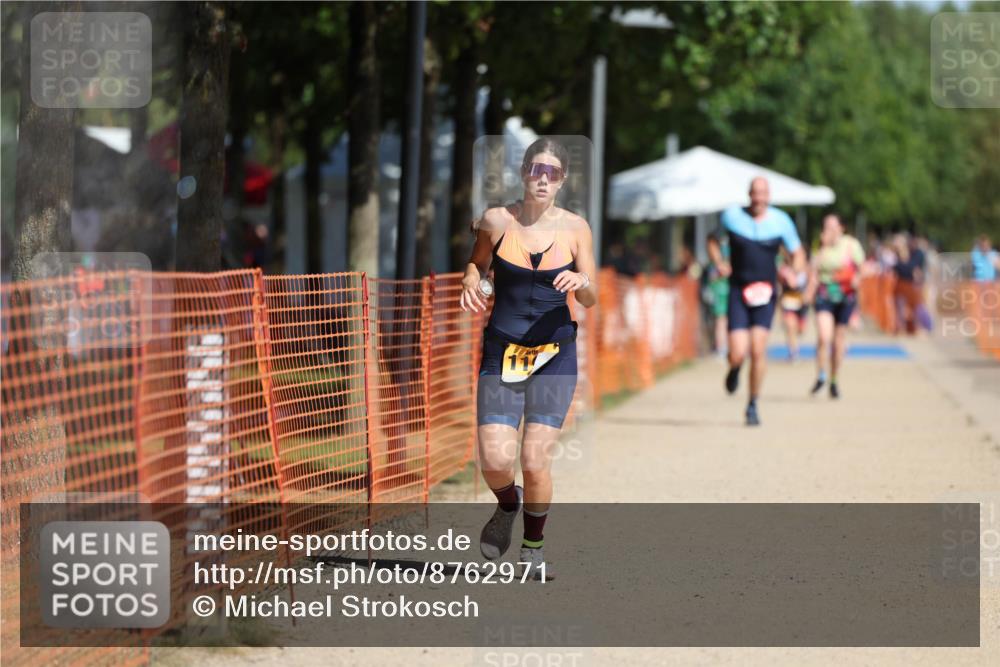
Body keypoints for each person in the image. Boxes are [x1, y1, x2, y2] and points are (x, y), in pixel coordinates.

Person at [459, 138, 597, 581]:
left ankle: (533, 550)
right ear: (523, 173)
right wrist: (471, 281)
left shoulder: (576, 228)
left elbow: (592, 297)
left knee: (536, 460)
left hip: (555, 354)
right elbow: (477, 264)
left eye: (552, 173)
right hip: (504, 352)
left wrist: (581, 279)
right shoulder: (498, 220)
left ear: (562, 181)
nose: (543, 179)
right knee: (495, 460)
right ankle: (507, 503)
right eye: (536, 170)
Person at [707, 177, 806, 426]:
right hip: (738, 291)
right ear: (749, 194)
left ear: (769, 196)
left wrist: (793, 272)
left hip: (766, 293)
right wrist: (719, 263)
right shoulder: (732, 217)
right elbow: (712, 240)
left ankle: (752, 403)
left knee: (758, 350)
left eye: (763, 194)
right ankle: (734, 368)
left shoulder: (781, 221)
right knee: (738, 352)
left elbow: (798, 253)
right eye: (755, 193)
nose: (759, 198)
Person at [805, 214, 865, 398]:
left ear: (841, 228)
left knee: (839, 340)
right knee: (824, 336)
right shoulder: (820, 245)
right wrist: (823, 246)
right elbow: (812, 268)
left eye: (832, 226)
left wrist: (857, 278)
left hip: (845, 296)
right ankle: (821, 375)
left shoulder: (851, 245)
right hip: (825, 295)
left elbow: (862, 267)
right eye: (826, 227)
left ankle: (834, 378)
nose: (829, 230)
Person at [704, 232, 730, 360]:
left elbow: (725, 270)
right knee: (719, 321)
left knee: (721, 321)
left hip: (722, 291)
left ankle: (722, 348)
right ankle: (721, 347)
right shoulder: (718, 255)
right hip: (718, 290)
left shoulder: (723, 254)